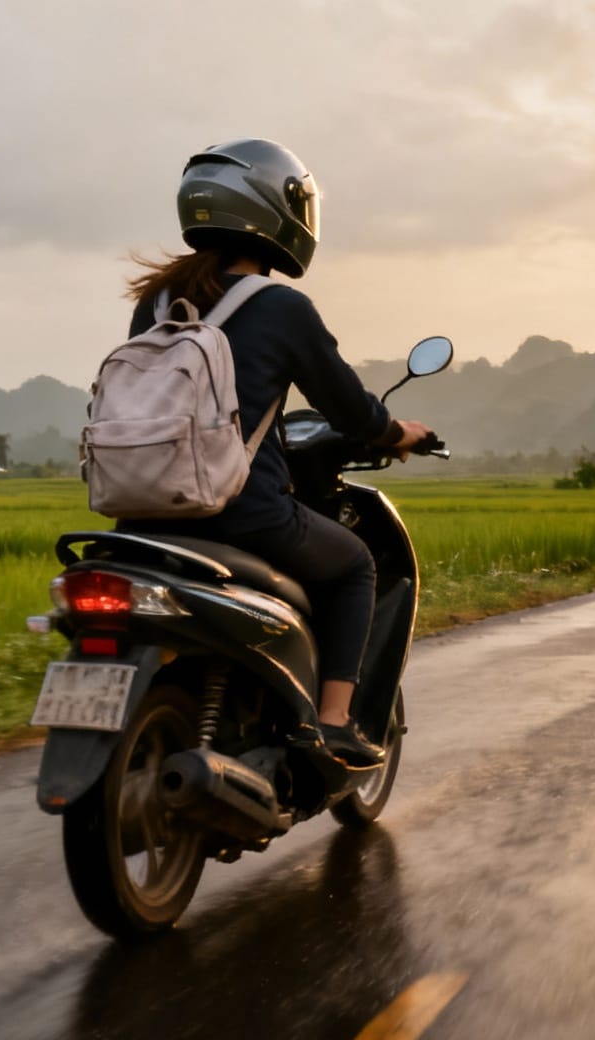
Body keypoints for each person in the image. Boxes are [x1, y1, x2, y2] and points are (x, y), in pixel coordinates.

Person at [115, 139, 431, 767]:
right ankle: (337, 721)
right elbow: (350, 408)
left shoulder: (152, 306)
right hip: (241, 513)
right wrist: (398, 434)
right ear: (279, 212)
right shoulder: (279, 306)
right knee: (356, 567)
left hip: (144, 517)